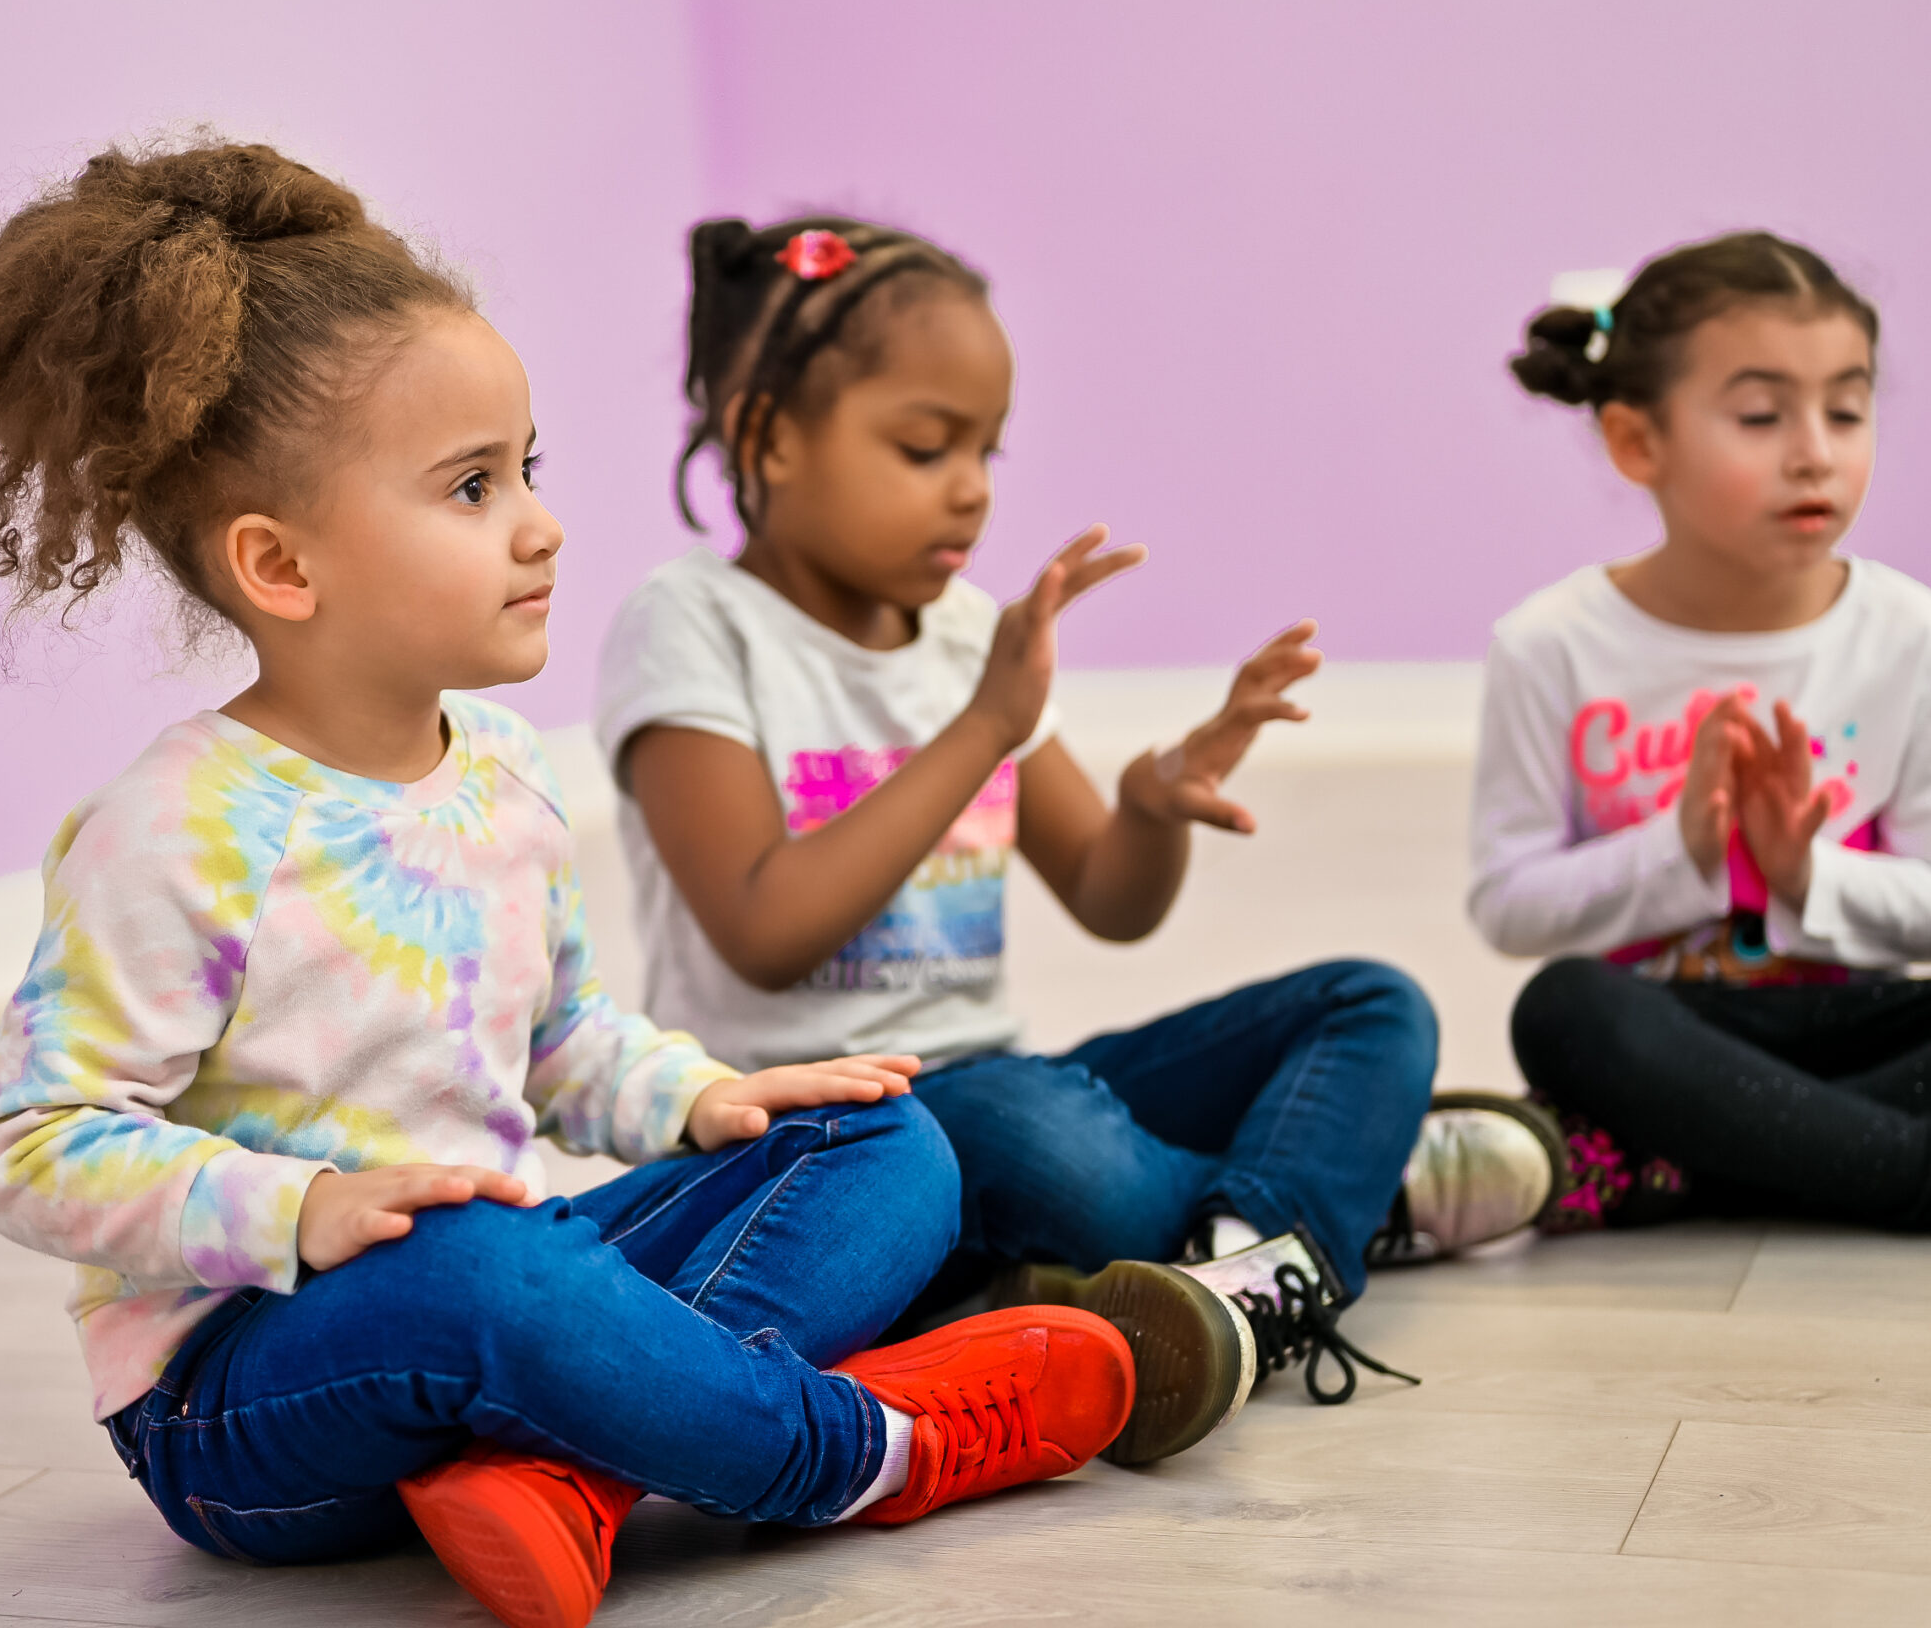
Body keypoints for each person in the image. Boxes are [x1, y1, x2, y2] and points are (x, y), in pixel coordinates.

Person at [0, 143, 1144, 1628]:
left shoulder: (498, 770)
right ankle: (865, 1448)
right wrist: (304, 1209)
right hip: (252, 1390)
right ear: (280, 563)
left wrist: (709, 1101)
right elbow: (27, 1143)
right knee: (476, 1272)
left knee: (891, 1133)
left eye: (530, 468)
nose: (542, 522)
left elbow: (562, 1038)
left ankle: (576, 1472)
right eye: (471, 486)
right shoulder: (178, 825)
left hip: (509, 1285)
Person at [596, 216, 1562, 1437]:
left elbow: (1111, 895)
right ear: (768, 433)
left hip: (1020, 1084)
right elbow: (762, 926)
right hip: (840, 1138)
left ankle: (1238, 1258)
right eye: (923, 445)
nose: (970, 490)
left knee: (1368, 1005)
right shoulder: (691, 624)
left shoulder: (960, 636)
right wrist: (983, 727)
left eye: (988, 451)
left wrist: (1153, 805)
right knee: (1012, 1126)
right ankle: (1332, 1202)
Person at [1476, 229, 1931, 1239]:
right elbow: (1510, 908)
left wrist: (1801, 875)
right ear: (1634, 442)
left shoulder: (1913, 638)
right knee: (1560, 1009)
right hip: (1666, 1032)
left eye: (1846, 407)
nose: (1814, 452)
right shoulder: (1549, 645)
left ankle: (1667, 1162)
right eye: (1758, 415)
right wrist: (1684, 852)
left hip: (1853, 1033)